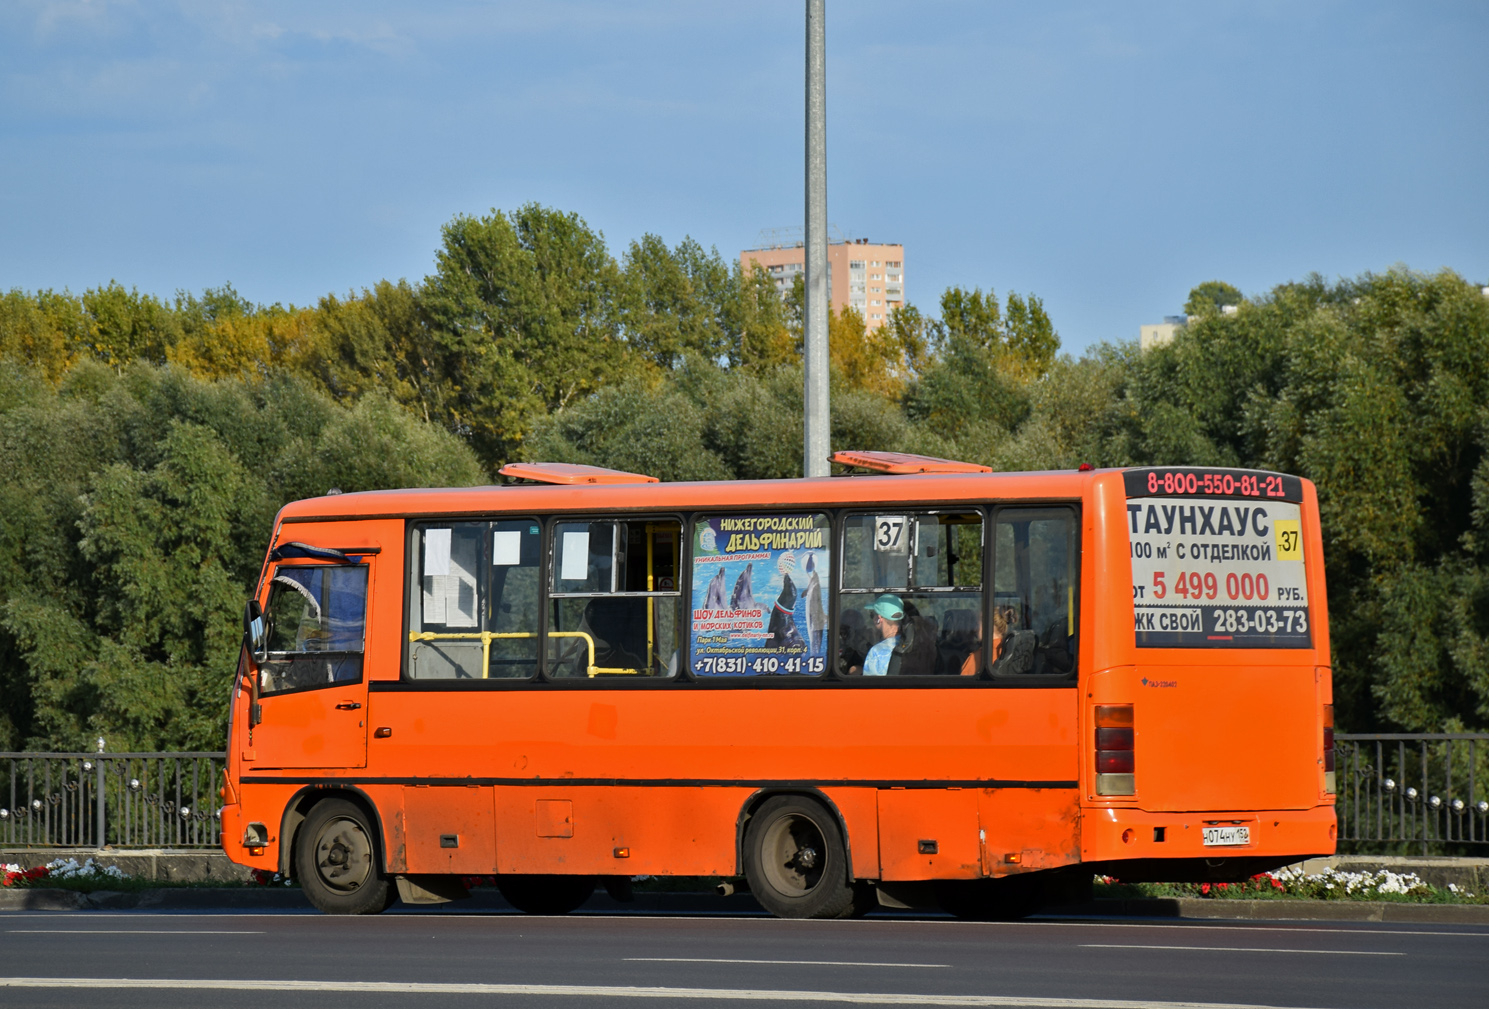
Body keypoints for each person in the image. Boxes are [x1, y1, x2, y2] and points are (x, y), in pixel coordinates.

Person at [857, 594, 904, 676]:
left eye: (872, 615)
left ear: (878, 619)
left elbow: (869, 686)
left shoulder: (877, 652)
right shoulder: (913, 643)